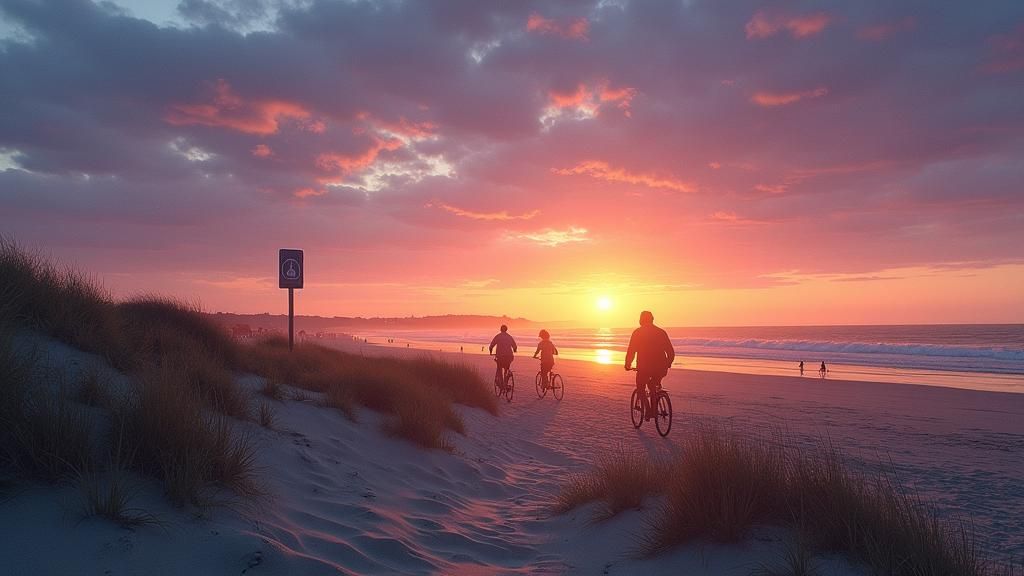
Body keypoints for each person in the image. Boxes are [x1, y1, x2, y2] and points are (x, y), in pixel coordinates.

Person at [625, 311, 675, 421]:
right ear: (652, 319)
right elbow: (670, 351)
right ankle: (656, 399)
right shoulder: (661, 332)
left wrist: (627, 364)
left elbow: (631, 350)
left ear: (641, 320)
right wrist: (668, 363)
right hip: (661, 368)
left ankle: (648, 410)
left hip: (644, 367)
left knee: (640, 387)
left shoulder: (637, 333)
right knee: (653, 384)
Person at [489, 324, 518, 389]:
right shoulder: (509, 337)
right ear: (506, 330)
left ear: (500, 329)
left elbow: (491, 345)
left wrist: (490, 352)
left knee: (499, 368)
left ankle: (502, 385)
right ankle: (506, 382)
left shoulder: (498, 336)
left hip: (500, 356)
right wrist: (514, 350)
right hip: (509, 356)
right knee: (506, 368)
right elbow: (515, 346)